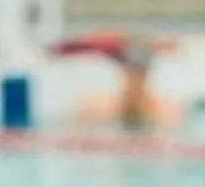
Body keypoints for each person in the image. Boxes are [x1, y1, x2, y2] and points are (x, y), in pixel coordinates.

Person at [54, 32, 187, 132]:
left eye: (140, 72)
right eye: (131, 71)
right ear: (123, 72)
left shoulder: (167, 113)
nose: (135, 79)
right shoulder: (94, 108)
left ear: (147, 74)